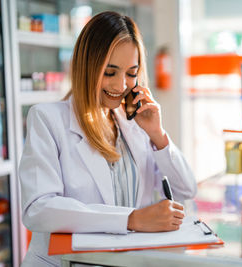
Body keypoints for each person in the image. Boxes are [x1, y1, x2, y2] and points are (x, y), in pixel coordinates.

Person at [18, 11, 197, 266]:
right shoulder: (48, 119)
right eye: (110, 72)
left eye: (131, 73)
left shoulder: (133, 124)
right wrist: (132, 219)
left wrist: (158, 134)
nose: (121, 85)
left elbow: (186, 189)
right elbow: (38, 209)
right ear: (87, 66)